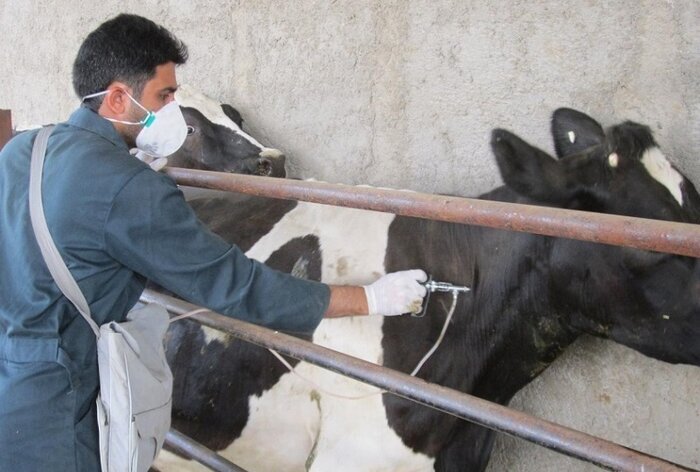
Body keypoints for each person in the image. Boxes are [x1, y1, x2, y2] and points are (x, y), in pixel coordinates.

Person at [0, 13, 427, 472]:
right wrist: (370, 298)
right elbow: (235, 286)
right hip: (61, 406)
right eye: (164, 95)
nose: (173, 110)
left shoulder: (23, 150)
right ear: (119, 98)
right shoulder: (130, 187)